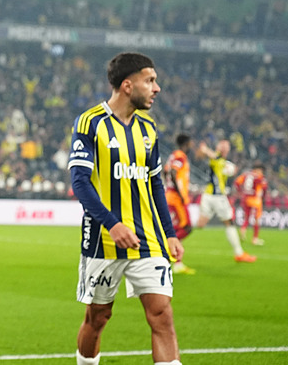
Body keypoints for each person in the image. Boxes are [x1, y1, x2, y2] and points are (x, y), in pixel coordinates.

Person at [68, 52, 184, 365]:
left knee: (161, 314)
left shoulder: (149, 129)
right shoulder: (91, 122)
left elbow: (156, 185)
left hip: (148, 239)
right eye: (150, 81)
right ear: (128, 86)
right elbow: (80, 182)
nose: (157, 88)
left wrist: (170, 234)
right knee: (98, 317)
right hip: (103, 241)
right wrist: (112, 224)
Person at [194, 140, 256, 263]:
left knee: (200, 224)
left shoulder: (222, 161)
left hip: (208, 195)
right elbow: (213, 156)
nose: (227, 149)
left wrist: (205, 150)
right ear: (221, 148)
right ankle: (239, 253)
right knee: (229, 222)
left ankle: (177, 230)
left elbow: (232, 169)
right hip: (217, 197)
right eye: (225, 147)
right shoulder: (216, 158)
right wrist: (205, 149)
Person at [163, 134, 196, 275]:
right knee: (187, 227)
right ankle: (166, 249)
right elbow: (172, 172)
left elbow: (165, 171)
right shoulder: (180, 156)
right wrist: (179, 192)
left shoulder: (173, 155)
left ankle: (177, 263)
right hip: (176, 198)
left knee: (177, 228)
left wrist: (168, 187)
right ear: (187, 143)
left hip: (170, 196)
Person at [234, 162, 268, 246]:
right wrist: (263, 198)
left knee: (247, 217)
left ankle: (242, 231)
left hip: (246, 198)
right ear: (259, 169)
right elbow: (264, 188)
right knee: (257, 219)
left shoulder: (246, 174)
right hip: (255, 200)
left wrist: (240, 191)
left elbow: (237, 182)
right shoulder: (260, 177)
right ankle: (255, 239)